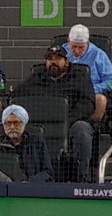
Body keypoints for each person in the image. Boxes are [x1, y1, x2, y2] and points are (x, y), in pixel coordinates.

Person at [12, 44, 96, 182]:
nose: (53, 62)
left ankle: (82, 179)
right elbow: (17, 97)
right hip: (41, 124)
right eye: (50, 59)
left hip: (71, 123)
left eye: (58, 58)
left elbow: (88, 103)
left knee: (82, 129)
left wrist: (67, 120)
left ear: (67, 62)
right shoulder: (37, 77)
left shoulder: (79, 78)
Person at [65, 24, 112, 124]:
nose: (77, 51)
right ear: (68, 42)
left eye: (81, 47)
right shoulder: (61, 53)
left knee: (100, 100)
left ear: (87, 43)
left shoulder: (99, 54)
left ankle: (92, 128)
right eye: (73, 46)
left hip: (91, 94)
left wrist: (93, 89)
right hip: (67, 92)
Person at [0, 104, 52, 182]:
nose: (12, 127)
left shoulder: (37, 142)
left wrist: (31, 182)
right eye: (8, 123)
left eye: (16, 123)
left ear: (24, 123)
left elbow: (48, 172)